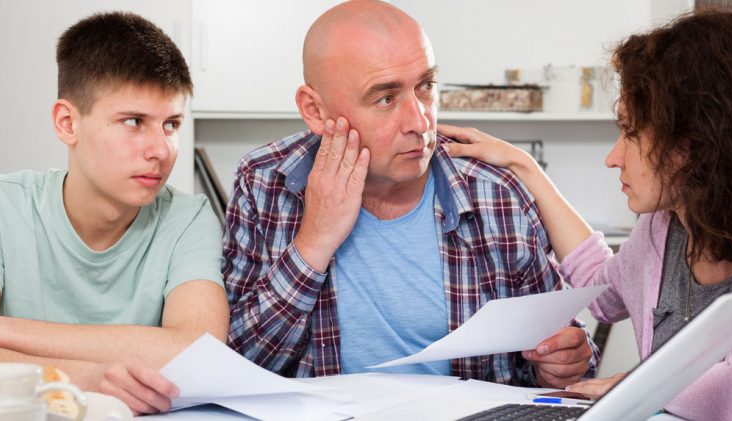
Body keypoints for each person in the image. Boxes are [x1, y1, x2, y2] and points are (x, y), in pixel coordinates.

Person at [439, 8, 732, 420]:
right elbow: (603, 290)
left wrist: (635, 387)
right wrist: (525, 168)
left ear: (698, 142)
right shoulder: (667, 224)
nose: (613, 158)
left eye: (632, 132)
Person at [222, 0, 597, 388]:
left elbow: (571, 363)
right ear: (315, 111)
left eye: (426, 87)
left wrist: (561, 363)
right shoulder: (265, 182)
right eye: (385, 98)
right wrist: (314, 241)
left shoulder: (496, 192)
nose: (420, 122)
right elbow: (232, 363)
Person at [0, 12, 228, 415]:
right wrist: (77, 377)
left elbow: (201, 351)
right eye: (133, 121)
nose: (161, 151)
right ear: (67, 122)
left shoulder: (190, 218)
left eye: (171, 124)